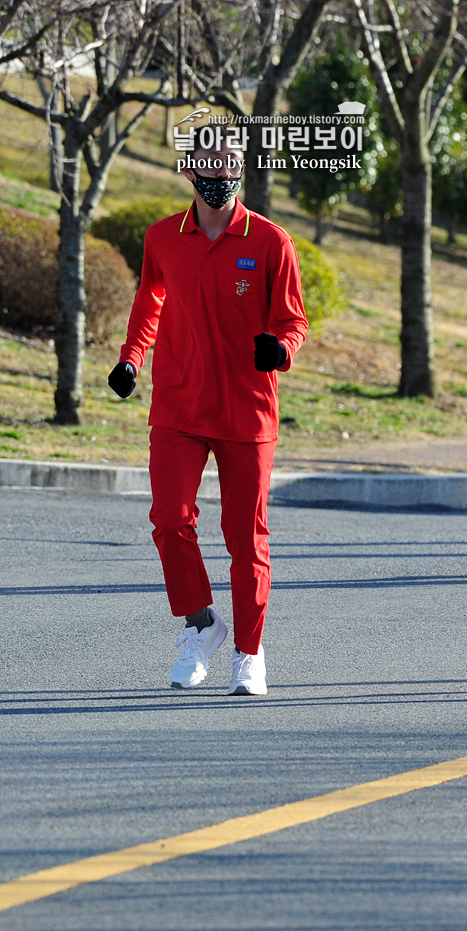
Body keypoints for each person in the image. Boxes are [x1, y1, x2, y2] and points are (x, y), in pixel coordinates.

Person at [108, 139, 308, 694]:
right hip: (179, 404)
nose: (220, 174)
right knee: (170, 519)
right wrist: (130, 359)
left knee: (245, 537)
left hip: (248, 410)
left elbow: (293, 320)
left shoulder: (270, 241)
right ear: (190, 172)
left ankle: (249, 651)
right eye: (209, 165)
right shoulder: (163, 238)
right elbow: (150, 301)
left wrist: (281, 349)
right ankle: (200, 625)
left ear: (242, 171)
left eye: (230, 165)